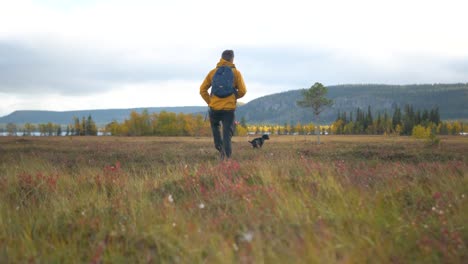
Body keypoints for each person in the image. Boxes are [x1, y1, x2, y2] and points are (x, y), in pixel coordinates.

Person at [200, 50, 247, 160]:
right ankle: (226, 157)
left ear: (221, 58)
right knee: (227, 133)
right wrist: (233, 97)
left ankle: (219, 148)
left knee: (215, 128)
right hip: (228, 109)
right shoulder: (236, 73)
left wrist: (210, 102)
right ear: (232, 59)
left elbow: (202, 90)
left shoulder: (212, 72)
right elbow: (243, 91)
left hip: (214, 108)